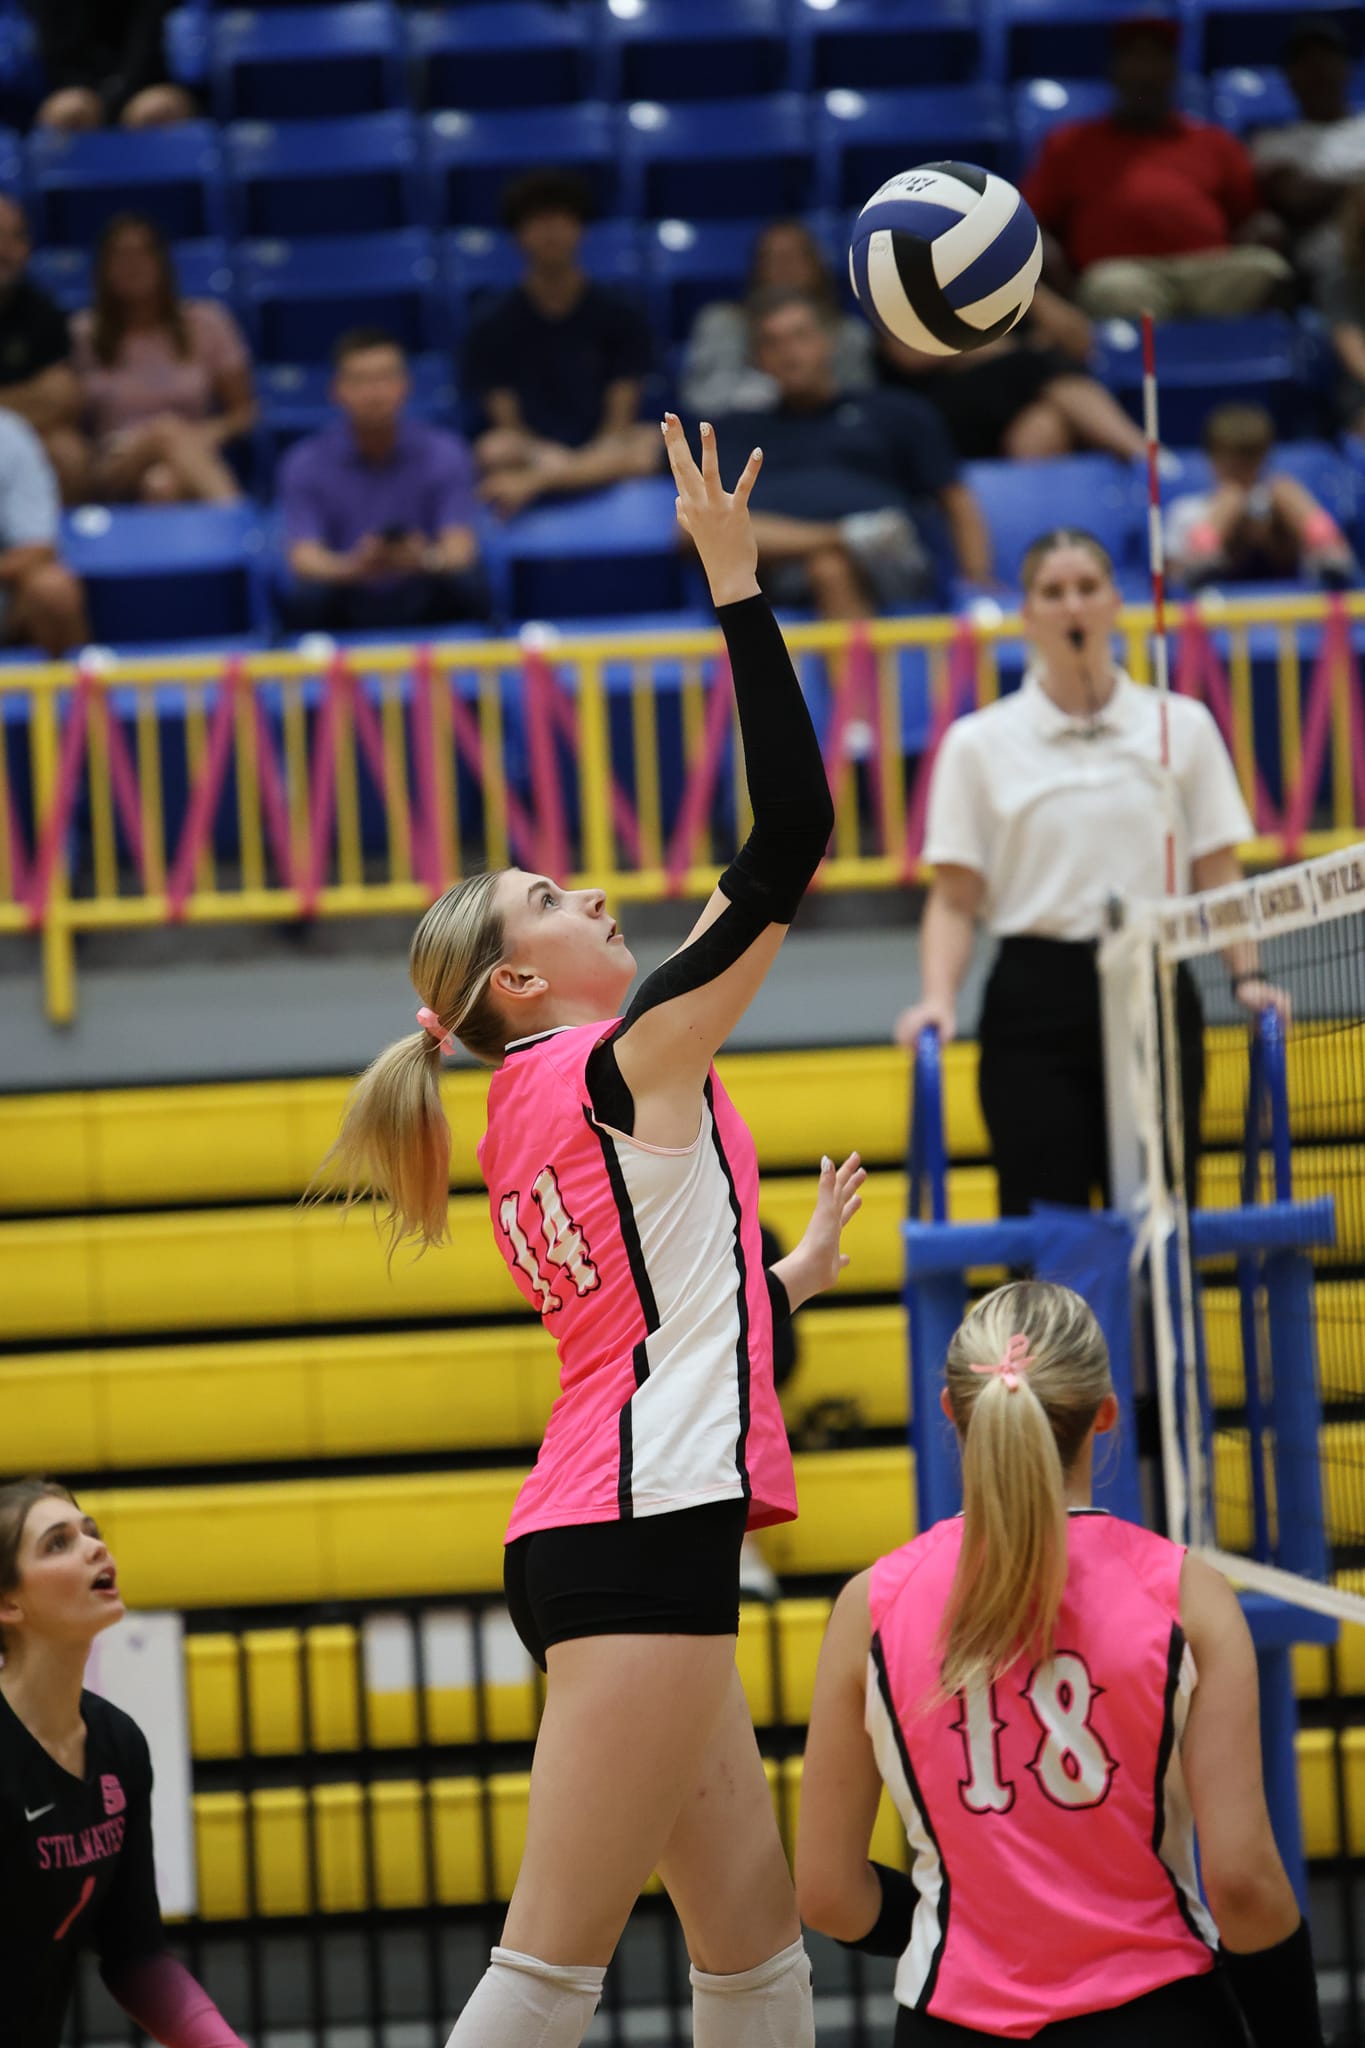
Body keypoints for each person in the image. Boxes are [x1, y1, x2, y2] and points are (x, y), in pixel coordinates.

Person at [317, 415, 865, 2048]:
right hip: (638, 1523)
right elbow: (790, 838)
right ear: (517, 979)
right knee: (549, 1970)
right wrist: (737, 589)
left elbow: (641, 1312)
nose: (591, 894)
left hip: (609, 1518)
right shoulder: (628, 1063)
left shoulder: (526, 1105)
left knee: (755, 1947)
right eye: (552, 896)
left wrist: (779, 1283)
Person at [796, 1280, 1325, 2047]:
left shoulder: (871, 1604)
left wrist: (954, 1928)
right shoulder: (1184, 1594)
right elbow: (1242, 1884)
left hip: (951, 2020)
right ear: (1104, 1415)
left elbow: (825, 1894)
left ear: (951, 1410)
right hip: (1159, 2019)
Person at [893, 527, 1284, 1220]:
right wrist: (936, 1000)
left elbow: (1217, 870)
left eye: (1086, 588)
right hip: (1034, 996)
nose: (1071, 605)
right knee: (1048, 1227)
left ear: (1114, 602)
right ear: (1027, 614)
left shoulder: (1182, 726)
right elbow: (953, 900)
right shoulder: (977, 744)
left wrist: (1246, 975)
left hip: (1155, 982)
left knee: (1162, 1220)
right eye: (1053, 592)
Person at [0, 1477, 249, 2048]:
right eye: (58, 1543)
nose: (95, 1547)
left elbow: (136, 1956)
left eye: (91, 1532)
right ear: (8, 1604)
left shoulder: (119, 1744)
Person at [711, 289, 992, 618]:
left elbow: (956, 499)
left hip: (892, 557)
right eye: (772, 343)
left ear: (828, 341)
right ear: (758, 359)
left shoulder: (895, 411)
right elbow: (700, 530)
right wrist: (844, 537)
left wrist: (977, 582)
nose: (788, 352)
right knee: (829, 567)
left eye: (800, 336)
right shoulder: (740, 433)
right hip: (789, 567)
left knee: (830, 566)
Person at [1022, 14, 1291, 322]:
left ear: (1173, 71)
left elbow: (1250, 215)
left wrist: (1263, 227)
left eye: (1157, 58)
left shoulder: (1214, 141)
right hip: (1124, 275)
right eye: (1135, 58)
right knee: (1114, 290)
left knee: (1268, 270)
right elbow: (1031, 219)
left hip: (1209, 271)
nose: (1146, 72)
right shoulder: (1070, 144)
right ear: (1114, 70)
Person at [465, 169, 659, 518]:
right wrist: (546, 455)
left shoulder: (621, 313)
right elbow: (507, 421)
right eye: (537, 222)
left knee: (649, 444)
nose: (550, 233)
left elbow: (621, 413)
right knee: (493, 449)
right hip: (534, 451)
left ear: (579, 228)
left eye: (560, 220)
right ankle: (570, 477)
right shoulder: (490, 322)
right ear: (519, 235)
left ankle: (539, 484)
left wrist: (567, 465)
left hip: (604, 446)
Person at [277, 327, 490, 635]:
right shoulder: (304, 462)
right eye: (360, 380)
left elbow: (460, 548)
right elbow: (303, 556)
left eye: (384, 378)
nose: (374, 393)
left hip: (425, 589)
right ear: (337, 390)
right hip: (346, 592)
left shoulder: (446, 452)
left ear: (405, 386)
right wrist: (352, 567)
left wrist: (424, 558)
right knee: (305, 597)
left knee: (471, 584)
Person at [71, 214, 255, 506]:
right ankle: (237, 516)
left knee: (163, 484)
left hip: (189, 454)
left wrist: (208, 433)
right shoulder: (83, 333)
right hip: (114, 461)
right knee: (165, 430)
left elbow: (245, 412)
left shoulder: (207, 322)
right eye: (120, 257)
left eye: (142, 254)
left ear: (163, 262)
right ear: (103, 270)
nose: (132, 266)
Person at [875, 280, 1146, 463]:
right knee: (1036, 364)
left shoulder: (1005, 277)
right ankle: (1147, 458)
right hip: (941, 408)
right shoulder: (914, 269)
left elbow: (1081, 345)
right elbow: (909, 355)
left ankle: (1033, 516)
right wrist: (1006, 347)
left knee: (1046, 421)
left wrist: (1025, 279)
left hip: (1023, 406)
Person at [681, 218, 876, 419]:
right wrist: (779, 390)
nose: (784, 267)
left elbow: (861, 404)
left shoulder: (850, 332)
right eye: (771, 258)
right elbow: (702, 401)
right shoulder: (723, 322)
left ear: (817, 265)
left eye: (794, 257)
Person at [1165, 403, 1356, 590]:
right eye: (1233, 465)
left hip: (1293, 581)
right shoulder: (1188, 510)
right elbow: (1172, 577)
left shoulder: (1277, 499)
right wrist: (1227, 528)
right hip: (1210, 589)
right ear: (1212, 458)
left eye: (1250, 463)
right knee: (1231, 498)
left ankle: (1328, 550)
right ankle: (1202, 555)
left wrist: (1270, 534)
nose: (1242, 472)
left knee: (1284, 488)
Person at [1253, 16, 1365, 294]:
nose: (1318, 69)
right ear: (1289, 77)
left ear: (1346, 68)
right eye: (1305, 61)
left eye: (1327, 57)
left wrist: (1335, 187)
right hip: (1334, 271)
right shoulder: (1273, 143)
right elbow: (1298, 200)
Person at [0, 195, 89, 504]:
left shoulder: (43, 311)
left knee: (69, 453)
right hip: (26, 420)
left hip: (27, 435)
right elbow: (44, 398)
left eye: (13, 238)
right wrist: (29, 397)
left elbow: (62, 398)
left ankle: (51, 535)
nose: (3, 250)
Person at [26, 0, 195, 132]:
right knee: (68, 110)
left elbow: (152, 44)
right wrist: (91, 93)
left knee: (157, 109)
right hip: (79, 88)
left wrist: (123, 91)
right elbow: (58, 53)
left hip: (144, 85)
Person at [0, 411, 87, 655]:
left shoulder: (8, 436)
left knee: (52, 589)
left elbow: (38, 549)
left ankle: (70, 679)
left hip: (5, 596)